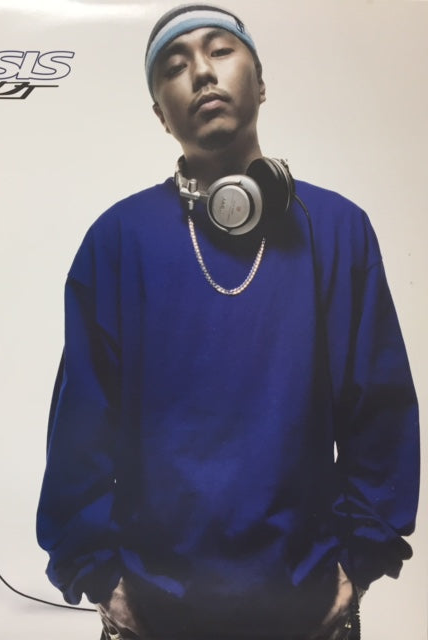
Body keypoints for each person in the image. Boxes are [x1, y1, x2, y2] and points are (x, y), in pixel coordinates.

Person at [36, 5, 419, 639]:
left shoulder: (339, 230)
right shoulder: (118, 239)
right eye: (174, 66)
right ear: (161, 114)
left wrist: (358, 563)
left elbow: (379, 413)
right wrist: (99, 575)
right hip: (152, 614)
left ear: (260, 83)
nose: (202, 73)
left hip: (309, 609)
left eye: (220, 50)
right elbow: (81, 425)